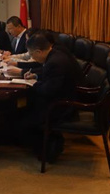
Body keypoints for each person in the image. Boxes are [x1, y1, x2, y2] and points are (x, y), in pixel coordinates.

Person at [17, 33, 85, 162]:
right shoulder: (55, 55)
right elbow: (51, 78)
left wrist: (33, 84)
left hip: (62, 107)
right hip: (60, 99)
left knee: (24, 116)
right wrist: (36, 76)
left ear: (39, 51)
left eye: (32, 55)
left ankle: (49, 149)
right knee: (24, 110)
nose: (32, 58)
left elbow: (48, 90)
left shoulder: (54, 62)